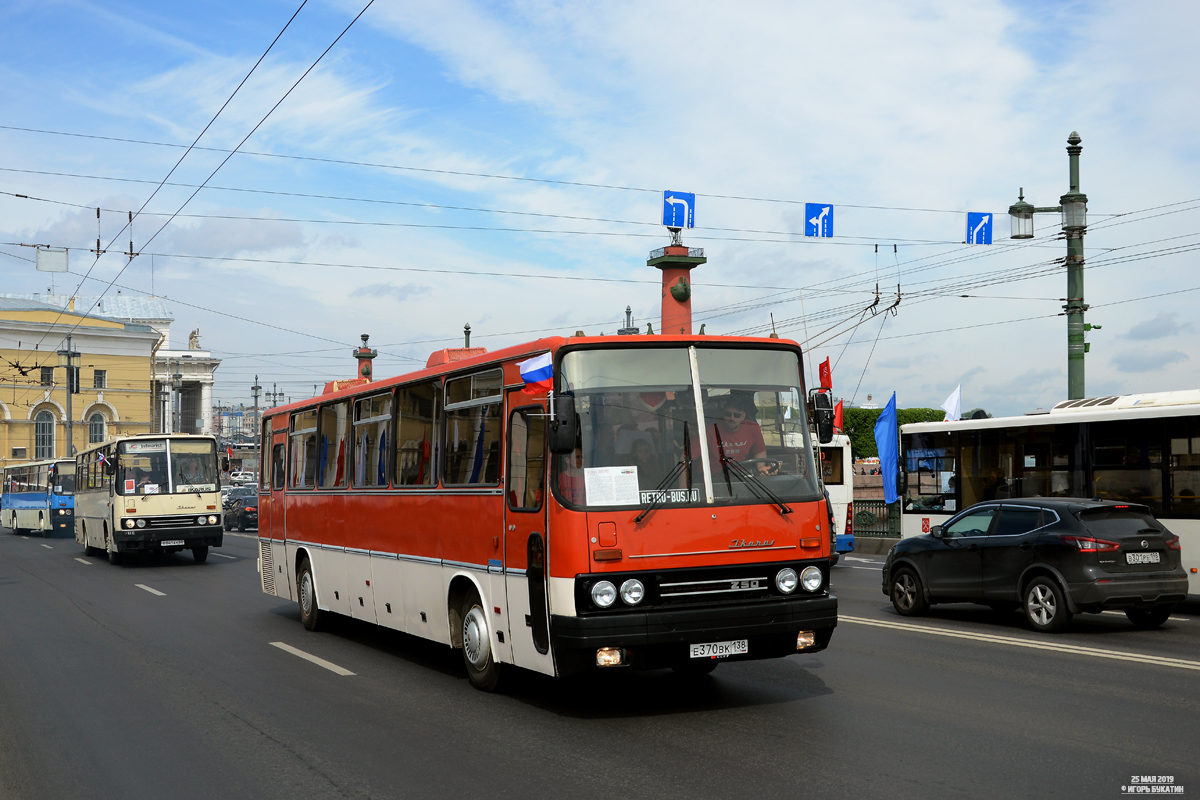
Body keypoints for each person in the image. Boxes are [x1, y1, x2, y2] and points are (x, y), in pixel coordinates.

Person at [702, 396, 772, 475]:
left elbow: (759, 451)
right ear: (723, 414)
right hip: (712, 477)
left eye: (736, 415)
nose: (732, 418)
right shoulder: (710, 430)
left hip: (738, 475)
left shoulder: (753, 428)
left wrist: (760, 467)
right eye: (728, 414)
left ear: (743, 416)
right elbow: (687, 456)